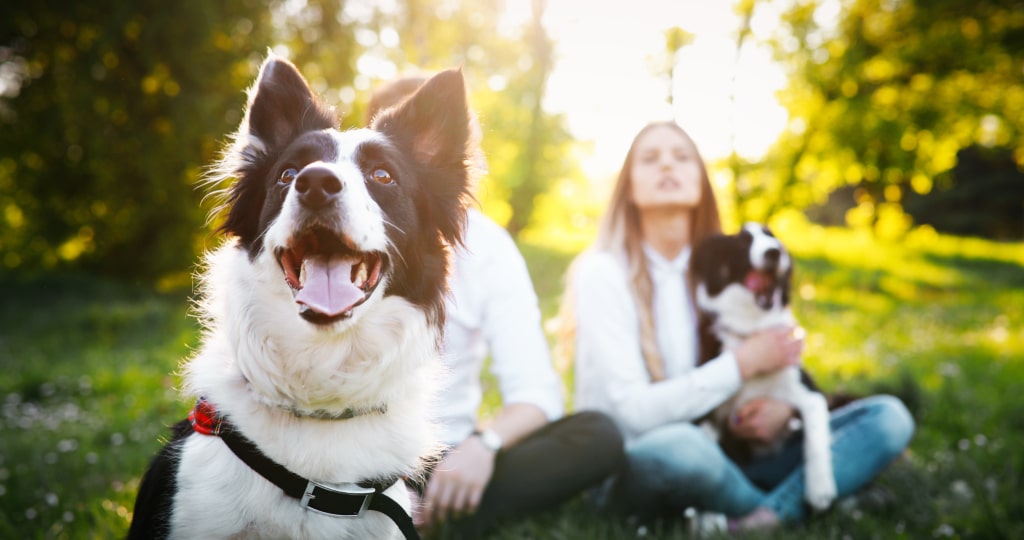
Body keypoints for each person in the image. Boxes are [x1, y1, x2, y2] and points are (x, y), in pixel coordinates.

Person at [563, 121, 915, 531]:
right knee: (683, 447)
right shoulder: (603, 272)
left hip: (729, 453)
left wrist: (784, 414)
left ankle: (755, 518)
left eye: (681, 157)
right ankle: (803, 502)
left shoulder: (721, 273)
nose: (667, 166)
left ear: (701, 181)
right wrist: (742, 365)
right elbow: (634, 414)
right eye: (650, 158)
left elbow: (777, 362)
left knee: (888, 417)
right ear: (628, 186)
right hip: (643, 459)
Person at [366, 76, 624, 538]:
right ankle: (400, 514)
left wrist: (482, 446)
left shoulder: (488, 245)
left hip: (444, 459)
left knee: (597, 435)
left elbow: (536, 393)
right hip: (345, 453)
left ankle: (425, 512)